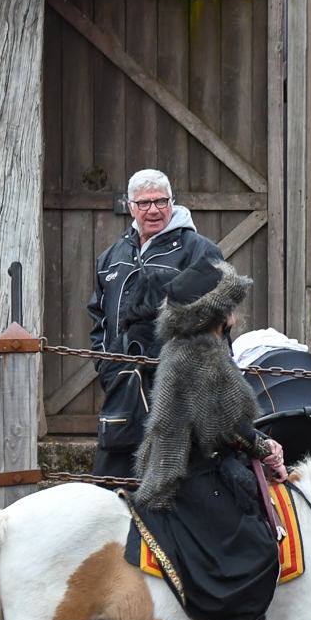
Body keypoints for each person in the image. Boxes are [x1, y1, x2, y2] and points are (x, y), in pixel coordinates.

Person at [130, 259, 288, 620]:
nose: (237, 310)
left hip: (204, 460)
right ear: (218, 312)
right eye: (232, 302)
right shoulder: (200, 353)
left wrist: (258, 444)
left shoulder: (201, 346)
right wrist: (265, 447)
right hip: (186, 472)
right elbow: (223, 426)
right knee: (254, 545)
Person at [87, 169, 222, 479]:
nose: (153, 210)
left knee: (175, 478)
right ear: (130, 207)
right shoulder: (112, 257)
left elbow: (217, 318)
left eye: (161, 201)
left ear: (172, 202)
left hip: (179, 389)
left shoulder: (199, 251)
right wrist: (106, 365)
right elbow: (98, 317)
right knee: (114, 478)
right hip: (123, 388)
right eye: (144, 203)